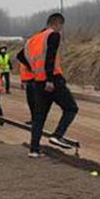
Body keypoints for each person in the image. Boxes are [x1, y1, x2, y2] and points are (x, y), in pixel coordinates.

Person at [19, 13, 79, 157]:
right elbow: (50, 58)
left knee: (39, 117)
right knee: (71, 108)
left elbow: (20, 56)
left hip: (37, 82)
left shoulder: (33, 39)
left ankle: (34, 150)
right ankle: (57, 135)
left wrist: (34, 69)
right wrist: (50, 79)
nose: (61, 29)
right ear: (57, 24)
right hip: (52, 81)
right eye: (61, 26)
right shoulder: (53, 35)